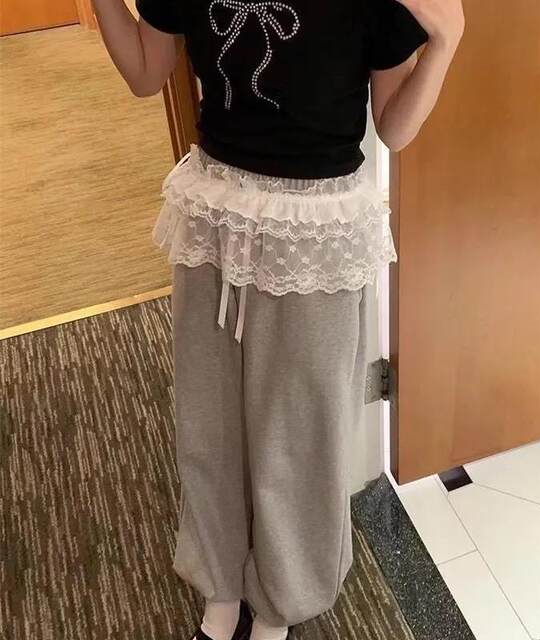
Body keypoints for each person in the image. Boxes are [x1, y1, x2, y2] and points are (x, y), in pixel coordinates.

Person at [92, 0, 464, 638]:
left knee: (300, 430)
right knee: (210, 417)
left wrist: (447, 40)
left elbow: (394, 129)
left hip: (314, 231)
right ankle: (220, 581)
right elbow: (146, 73)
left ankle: (281, 598)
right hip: (217, 212)